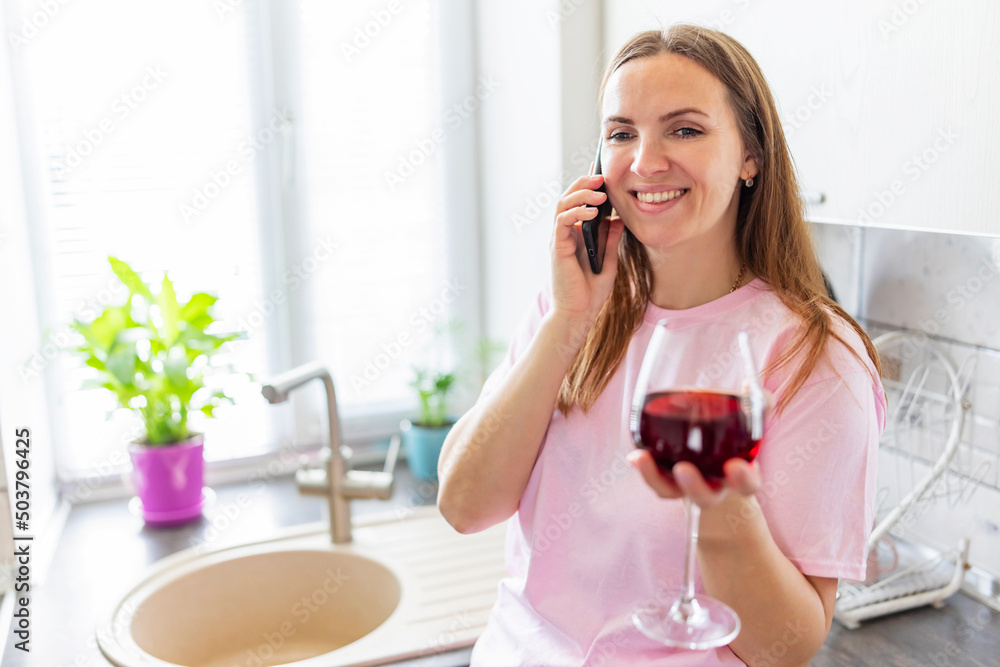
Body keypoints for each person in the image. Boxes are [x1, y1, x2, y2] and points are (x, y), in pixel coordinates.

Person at [438, 24, 886, 666]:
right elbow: (463, 504)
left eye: (685, 129)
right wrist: (568, 319)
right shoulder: (573, 307)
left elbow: (785, 647)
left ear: (751, 156)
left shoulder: (816, 357)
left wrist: (726, 515)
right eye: (621, 133)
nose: (645, 162)